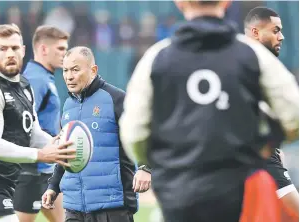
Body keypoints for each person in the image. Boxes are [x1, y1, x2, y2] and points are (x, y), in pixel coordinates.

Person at [119, 1, 299, 222]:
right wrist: (265, 145)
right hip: (240, 195)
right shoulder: (252, 54)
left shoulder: (156, 58)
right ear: (226, 2)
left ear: (180, 3)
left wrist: (167, 168)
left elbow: (133, 135)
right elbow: (293, 116)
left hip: (179, 196)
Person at [0, 23, 76, 222]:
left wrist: (58, 146)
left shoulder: (24, 86)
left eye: (14, 47)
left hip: (7, 183)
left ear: (23, 50)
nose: (10, 53)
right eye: (2, 48)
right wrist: (41, 155)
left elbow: (33, 132)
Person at [41, 46, 152, 222]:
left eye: (75, 70)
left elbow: (145, 131)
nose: (69, 76)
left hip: (112, 207)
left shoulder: (116, 99)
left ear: (93, 70)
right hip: (74, 208)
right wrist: (53, 187)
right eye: (65, 70)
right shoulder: (68, 106)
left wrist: (146, 167)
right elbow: (65, 152)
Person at [244, 6, 299, 220]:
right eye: (275, 30)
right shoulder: (249, 62)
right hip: (257, 160)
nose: (281, 36)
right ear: (256, 32)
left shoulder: (259, 62)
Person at [14, 25, 69, 222]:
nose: (65, 54)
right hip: (32, 172)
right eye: (60, 49)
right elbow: (20, 122)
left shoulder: (45, 77)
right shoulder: (36, 80)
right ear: (44, 49)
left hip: (47, 170)